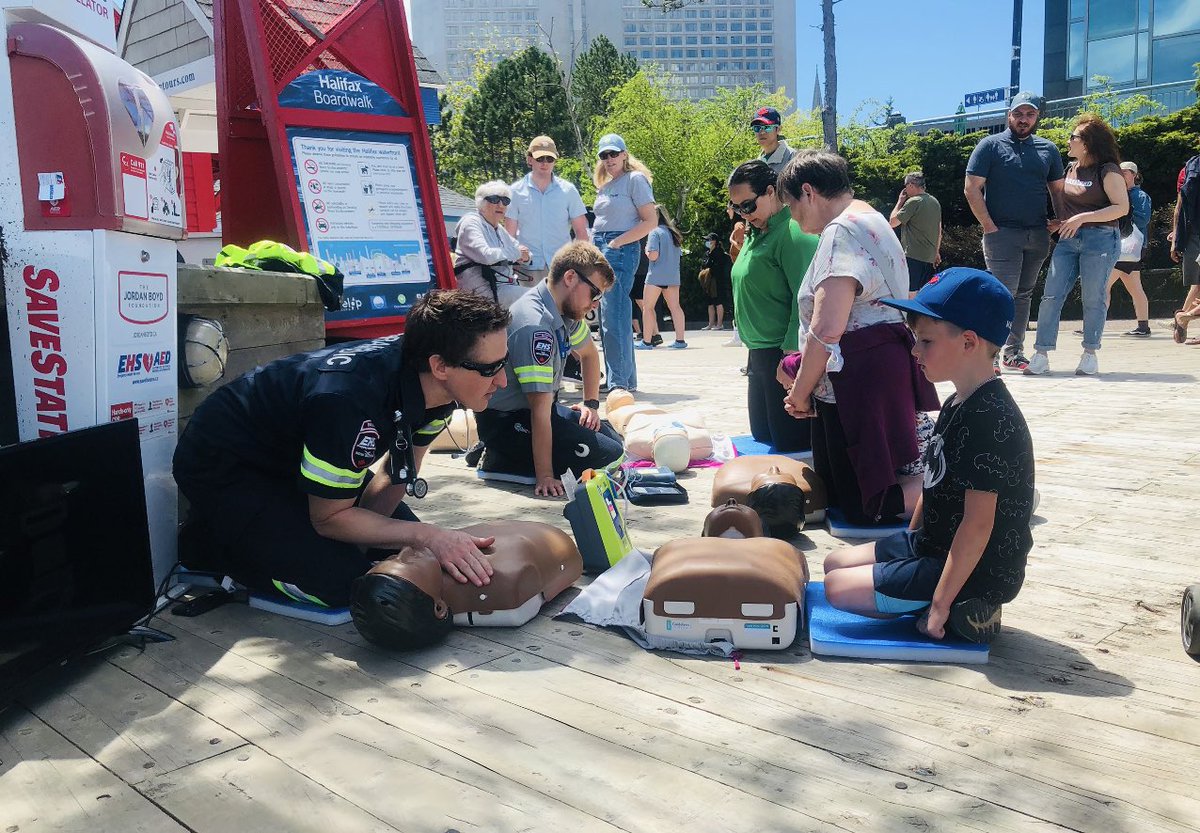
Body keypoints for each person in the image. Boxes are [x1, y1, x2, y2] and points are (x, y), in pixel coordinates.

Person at [173, 291, 512, 607]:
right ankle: (209, 544)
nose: (502, 381)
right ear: (440, 366)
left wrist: (400, 544)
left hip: (297, 455)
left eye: (503, 363)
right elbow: (329, 520)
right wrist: (426, 535)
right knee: (346, 585)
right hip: (224, 462)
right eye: (488, 369)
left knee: (402, 558)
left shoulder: (438, 389)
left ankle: (273, 532)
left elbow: (397, 473)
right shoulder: (350, 401)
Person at [821, 267, 1035, 645]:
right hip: (934, 542)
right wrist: (910, 541)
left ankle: (965, 602)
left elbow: (978, 526)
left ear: (968, 342)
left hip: (977, 567)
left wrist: (938, 604)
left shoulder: (991, 420)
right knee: (833, 563)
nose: (914, 351)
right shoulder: (958, 401)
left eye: (925, 341)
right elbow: (932, 482)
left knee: (837, 589)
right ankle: (934, 594)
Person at [779, 150, 939, 527]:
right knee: (850, 491)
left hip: (859, 378)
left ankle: (963, 492)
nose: (792, 215)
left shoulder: (840, 231)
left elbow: (826, 328)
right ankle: (955, 487)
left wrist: (800, 393)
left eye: (791, 205)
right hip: (872, 370)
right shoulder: (872, 218)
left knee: (867, 501)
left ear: (808, 192)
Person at [475, 241, 624, 497]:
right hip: (506, 422)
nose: (596, 303)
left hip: (533, 412)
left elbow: (589, 355)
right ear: (570, 278)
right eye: (595, 293)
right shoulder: (536, 328)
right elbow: (540, 411)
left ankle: (515, 455)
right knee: (609, 456)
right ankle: (500, 460)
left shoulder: (562, 309)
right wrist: (545, 476)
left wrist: (590, 405)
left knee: (611, 437)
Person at [964, 91, 1066, 372]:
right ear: (1008, 116)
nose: (1023, 119)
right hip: (1002, 235)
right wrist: (988, 226)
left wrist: (1060, 221)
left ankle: (1013, 353)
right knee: (1001, 294)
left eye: (1029, 114)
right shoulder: (990, 146)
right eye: (1018, 114)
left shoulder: (1048, 149)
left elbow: (1057, 190)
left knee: (1024, 295)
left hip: (1038, 234)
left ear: (1037, 117)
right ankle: (989, 356)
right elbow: (972, 187)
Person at [727, 159, 818, 454]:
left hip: (782, 354)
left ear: (770, 191)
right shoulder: (756, 234)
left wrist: (792, 357)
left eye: (748, 205)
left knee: (792, 446)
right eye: (737, 208)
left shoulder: (792, 233)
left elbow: (804, 299)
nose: (743, 214)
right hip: (758, 354)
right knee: (762, 436)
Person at [1026, 114, 1128, 377]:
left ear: (1088, 143)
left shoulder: (1108, 170)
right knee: (1051, 295)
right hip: (1069, 240)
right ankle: (1041, 354)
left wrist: (1083, 218)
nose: (1069, 140)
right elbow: (1070, 205)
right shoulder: (1070, 168)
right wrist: (1061, 223)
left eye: (1074, 137)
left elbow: (1121, 208)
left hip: (1101, 239)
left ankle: (1090, 353)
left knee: (1093, 297)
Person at [591, 134, 657, 392]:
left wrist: (616, 243)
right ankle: (624, 380)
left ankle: (618, 381)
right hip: (601, 247)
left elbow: (650, 221)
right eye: (604, 155)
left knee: (613, 315)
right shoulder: (607, 184)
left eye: (613, 154)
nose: (609, 159)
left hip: (618, 249)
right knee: (614, 314)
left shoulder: (635, 179)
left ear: (624, 154)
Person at [506, 136, 589, 287]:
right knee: (528, 311)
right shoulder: (515, 191)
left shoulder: (568, 190)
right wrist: (515, 257)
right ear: (529, 159)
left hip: (562, 267)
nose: (545, 163)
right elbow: (509, 236)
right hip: (527, 268)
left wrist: (580, 265)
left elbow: (581, 232)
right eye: (540, 158)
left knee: (562, 311)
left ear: (555, 161)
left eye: (549, 158)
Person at [453, 181, 531, 308]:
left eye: (505, 201)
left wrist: (525, 256)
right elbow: (486, 255)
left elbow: (526, 254)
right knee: (537, 298)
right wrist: (516, 253)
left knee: (546, 294)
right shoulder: (471, 223)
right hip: (481, 292)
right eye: (494, 199)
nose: (501, 205)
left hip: (503, 287)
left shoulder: (498, 228)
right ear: (481, 203)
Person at [1106, 161, 1153, 337]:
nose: (1121, 175)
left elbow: (1143, 219)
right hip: (1130, 250)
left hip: (1127, 247)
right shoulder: (1121, 194)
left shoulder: (1139, 196)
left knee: (1103, 285)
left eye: (1124, 172)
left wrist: (1120, 215)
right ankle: (1143, 326)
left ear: (1134, 174)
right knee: (1135, 288)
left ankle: (1093, 325)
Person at [637, 205, 688, 349]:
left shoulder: (654, 232)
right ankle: (680, 340)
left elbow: (653, 256)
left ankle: (646, 341)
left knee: (648, 308)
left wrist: (647, 250)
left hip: (656, 276)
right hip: (672, 276)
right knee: (675, 308)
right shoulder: (674, 234)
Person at [889, 171, 942, 296]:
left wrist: (900, 202)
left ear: (911, 185)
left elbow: (892, 222)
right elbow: (939, 230)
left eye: (905, 186)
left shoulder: (914, 201)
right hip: (929, 257)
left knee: (910, 294)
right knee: (924, 294)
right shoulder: (934, 202)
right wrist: (936, 252)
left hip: (913, 256)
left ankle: (910, 316)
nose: (905, 189)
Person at [1169, 151, 1200, 326]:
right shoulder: (1190, 169)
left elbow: (1180, 207)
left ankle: (1183, 319)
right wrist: (1176, 239)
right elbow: (1180, 206)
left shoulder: (1190, 168)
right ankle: (1184, 318)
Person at [699, 232, 732, 330]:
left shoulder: (719, 253)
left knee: (718, 301)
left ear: (714, 241)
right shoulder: (708, 253)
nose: (707, 242)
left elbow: (718, 267)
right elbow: (704, 265)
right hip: (709, 281)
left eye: (709, 240)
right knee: (710, 302)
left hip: (718, 281)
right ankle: (711, 324)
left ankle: (719, 324)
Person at [751, 106, 795, 175]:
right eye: (757, 128)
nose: (762, 132)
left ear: (778, 129)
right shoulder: (756, 162)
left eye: (767, 127)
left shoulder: (792, 158)